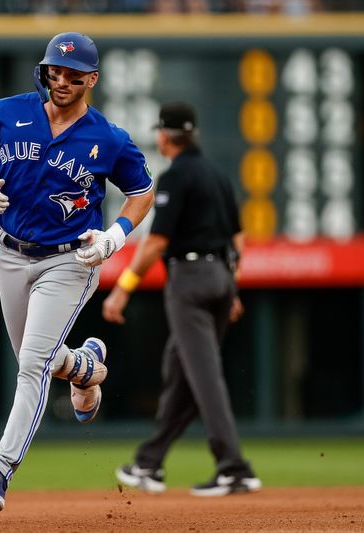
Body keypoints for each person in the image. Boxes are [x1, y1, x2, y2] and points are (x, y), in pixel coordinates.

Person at [0, 31, 155, 514]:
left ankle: (0, 470)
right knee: (37, 356)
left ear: (91, 79)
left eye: (71, 74)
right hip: (10, 253)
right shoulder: (7, 112)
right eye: (54, 71)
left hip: (70, 259)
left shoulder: (107, 138)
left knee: (32, 365)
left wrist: (115, 236)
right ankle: (86, 368)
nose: (61, 80)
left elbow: (142, 191)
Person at [104, 102, 261, 497]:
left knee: (203, 377)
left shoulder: (175, 176)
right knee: (181, 373)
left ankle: (234, 468)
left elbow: (155, 242)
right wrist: (233, 285)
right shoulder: (218, 176)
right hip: (222, 277)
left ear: (164, 135)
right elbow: (239, 239)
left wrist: (123, 288)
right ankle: (149, 463)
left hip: (189, 281)